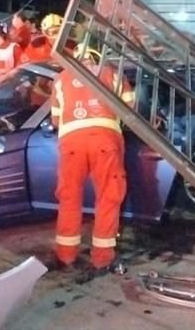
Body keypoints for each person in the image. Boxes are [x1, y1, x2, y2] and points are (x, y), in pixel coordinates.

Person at [50, 58, 128, 272]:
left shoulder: (62, 77)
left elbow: (56, 120)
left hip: (72, 144)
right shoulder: (113, 74)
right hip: (105, 141)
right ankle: (102, 258)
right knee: (109, 197)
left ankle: (65, 256)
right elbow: (130, 108)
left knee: (69, 197)